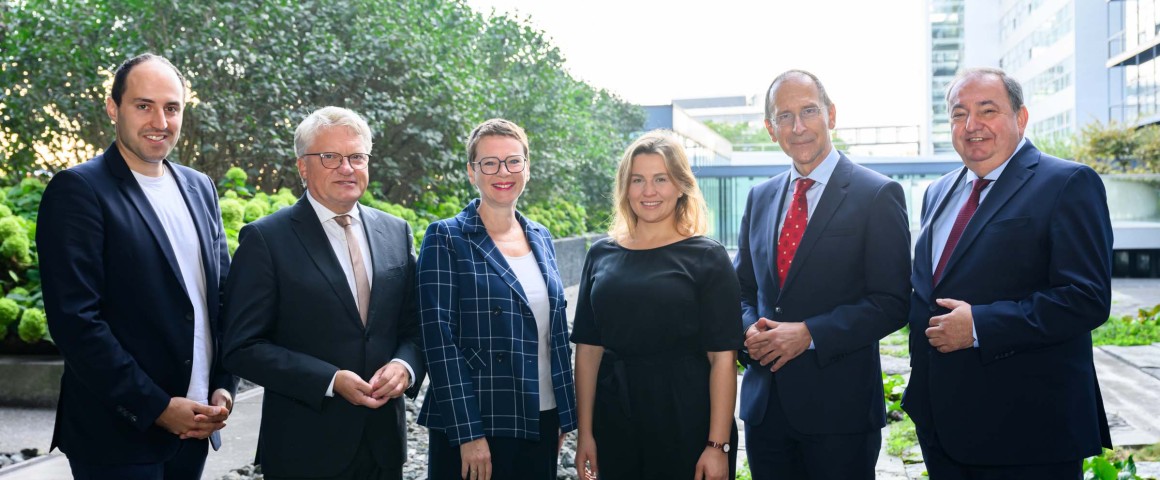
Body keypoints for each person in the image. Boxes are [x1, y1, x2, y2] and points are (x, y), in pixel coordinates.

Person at [901, 67, 1113, 479]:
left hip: (1027, 430)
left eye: (987, 110)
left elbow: (1086, 298)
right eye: (958, 114)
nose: (971, 125)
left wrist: (980, 325)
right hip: (940, 424)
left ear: (1021, 117)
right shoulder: (938, 191)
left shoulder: (1068, 182)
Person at [36, 53, 236, 479]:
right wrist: (158, 408)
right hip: (117, 436)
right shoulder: (78, 191)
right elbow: (75, 323)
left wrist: (224, 384)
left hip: (198, 424)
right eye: (143, 105)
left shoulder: (200, 188)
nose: (159, 121)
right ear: (113, 107)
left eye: (172, 107)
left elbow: (223, 298)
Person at [220, 106, 425, 480]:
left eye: (357, 157)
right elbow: (241, 347)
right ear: (303, 167)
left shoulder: (396, 232)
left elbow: (415, 325)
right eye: (330, 157)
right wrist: (330, 380)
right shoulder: (266, 239)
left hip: (383, 447)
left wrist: (405, 367)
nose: (346, 168)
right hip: (304, 447)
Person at [733, 69, 911, 480]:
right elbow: (741, 289)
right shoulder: (760, 197)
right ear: (770, 128)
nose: (798, 127)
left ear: (831, 115)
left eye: (809, 111)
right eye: (784, 116)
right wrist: (748, 331)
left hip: (840, 415)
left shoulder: (877, 194)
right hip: (766, 411)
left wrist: (809, 333)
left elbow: (892, 303)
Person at [571, 131, 741, 480]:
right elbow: (588, 351)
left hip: (687, 420)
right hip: (615, 418)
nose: (649, 191)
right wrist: (585, 433)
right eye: (638, 180)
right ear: (625, 188)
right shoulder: (601, 254)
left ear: (681, 186)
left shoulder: (707, 257)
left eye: (660, 179)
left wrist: (717, 446)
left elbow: (722, 359)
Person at [418, 118, 577, 480]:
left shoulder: (541, 236)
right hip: (479, 419)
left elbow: (553, 336)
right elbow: (439, 342)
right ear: (472, 171)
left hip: (541, 416)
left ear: (527, 168)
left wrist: (563, 414)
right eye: (489, 162)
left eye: (513, 161)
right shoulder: (446, 237)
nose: (502, 171)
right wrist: (468, 433)